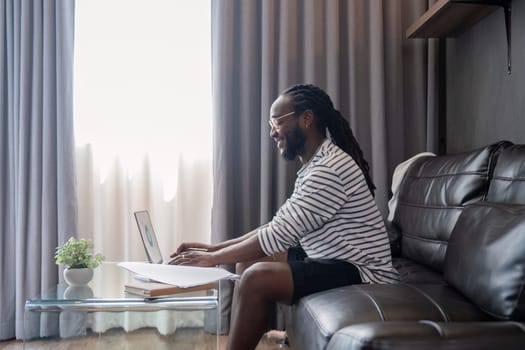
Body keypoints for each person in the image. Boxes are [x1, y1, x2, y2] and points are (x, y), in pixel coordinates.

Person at [169, 84, 399, 350]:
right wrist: (214, 248)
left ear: (307, 118)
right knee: (248, 263)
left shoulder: (328, 169)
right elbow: (276, 227)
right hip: (332, 258)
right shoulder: (316, 164)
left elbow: (276, 235)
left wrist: (211, 259)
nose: (272, 131)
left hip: (363, 271)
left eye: (277, 121)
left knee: (256, 278)